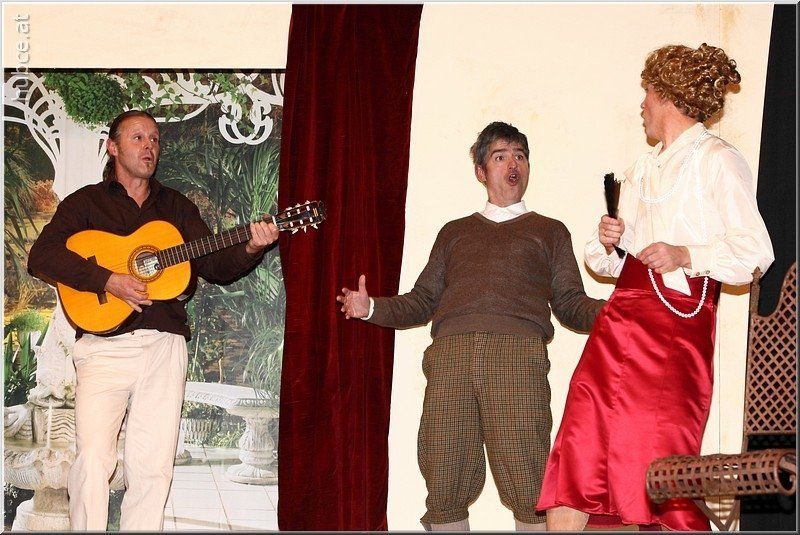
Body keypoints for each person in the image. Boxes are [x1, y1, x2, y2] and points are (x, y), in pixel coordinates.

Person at [536, 43, 775, 531]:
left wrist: (687, 254)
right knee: (578, 452)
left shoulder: (718, 159)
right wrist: (611, 241)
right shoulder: (642, 169)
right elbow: (607, 262)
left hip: (675, 331)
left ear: (666, 94)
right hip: (619, 322)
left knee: (659, 468)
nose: (642, 104)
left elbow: (756, 252)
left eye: (647, 91)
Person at [336, 121, 605, 531]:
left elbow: (570, 303)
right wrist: (370, 307)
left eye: (520, 156)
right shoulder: (454, 232)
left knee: (529, 480)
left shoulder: (550, 231)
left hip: (517, 359)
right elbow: (422, 300)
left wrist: (616, 312)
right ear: (481, 171)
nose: (512, 165)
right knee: (443, 476)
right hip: (450, 358)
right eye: (500, 157)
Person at [27, 110, 279, 531]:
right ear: (113, 147)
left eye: (155, 139)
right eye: (138, 137)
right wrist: (109, 280)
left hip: (164, 345)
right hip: (103, 347)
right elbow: (42, 256)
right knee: (93, 461)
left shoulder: (176, 207)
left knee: (153, 467)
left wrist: (252, 246)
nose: (149, 147)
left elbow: (215, 266)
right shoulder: (85, 203)